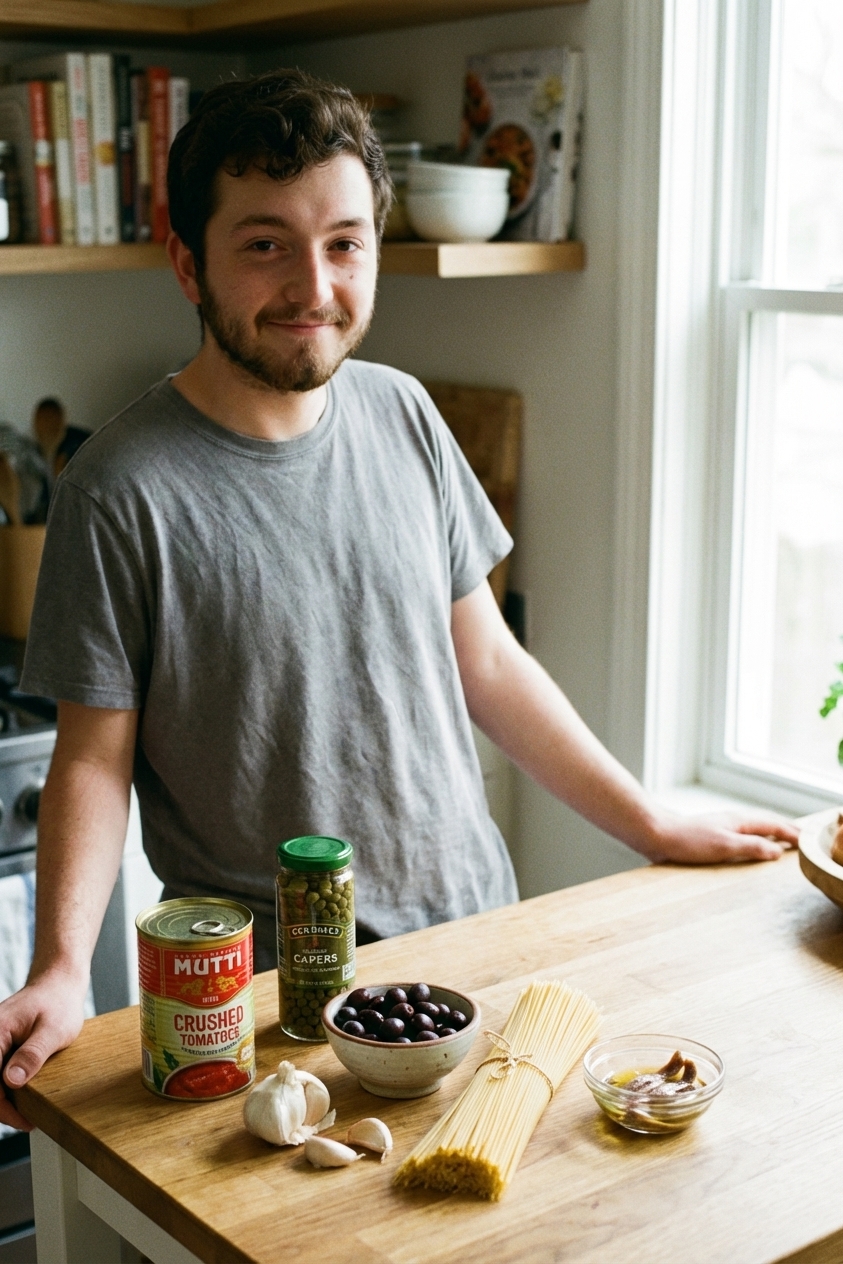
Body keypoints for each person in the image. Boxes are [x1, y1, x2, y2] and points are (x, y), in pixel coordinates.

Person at [0, 70, 797, 1131]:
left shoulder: (405, 415)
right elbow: (93, 758)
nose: (312, 285)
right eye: (265, 243)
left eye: (342, 241)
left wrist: (648, 817)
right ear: (189, 262)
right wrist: (60, 966)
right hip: (276, 1012)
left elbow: (491, 667)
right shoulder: (119, 487)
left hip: (475, 945)